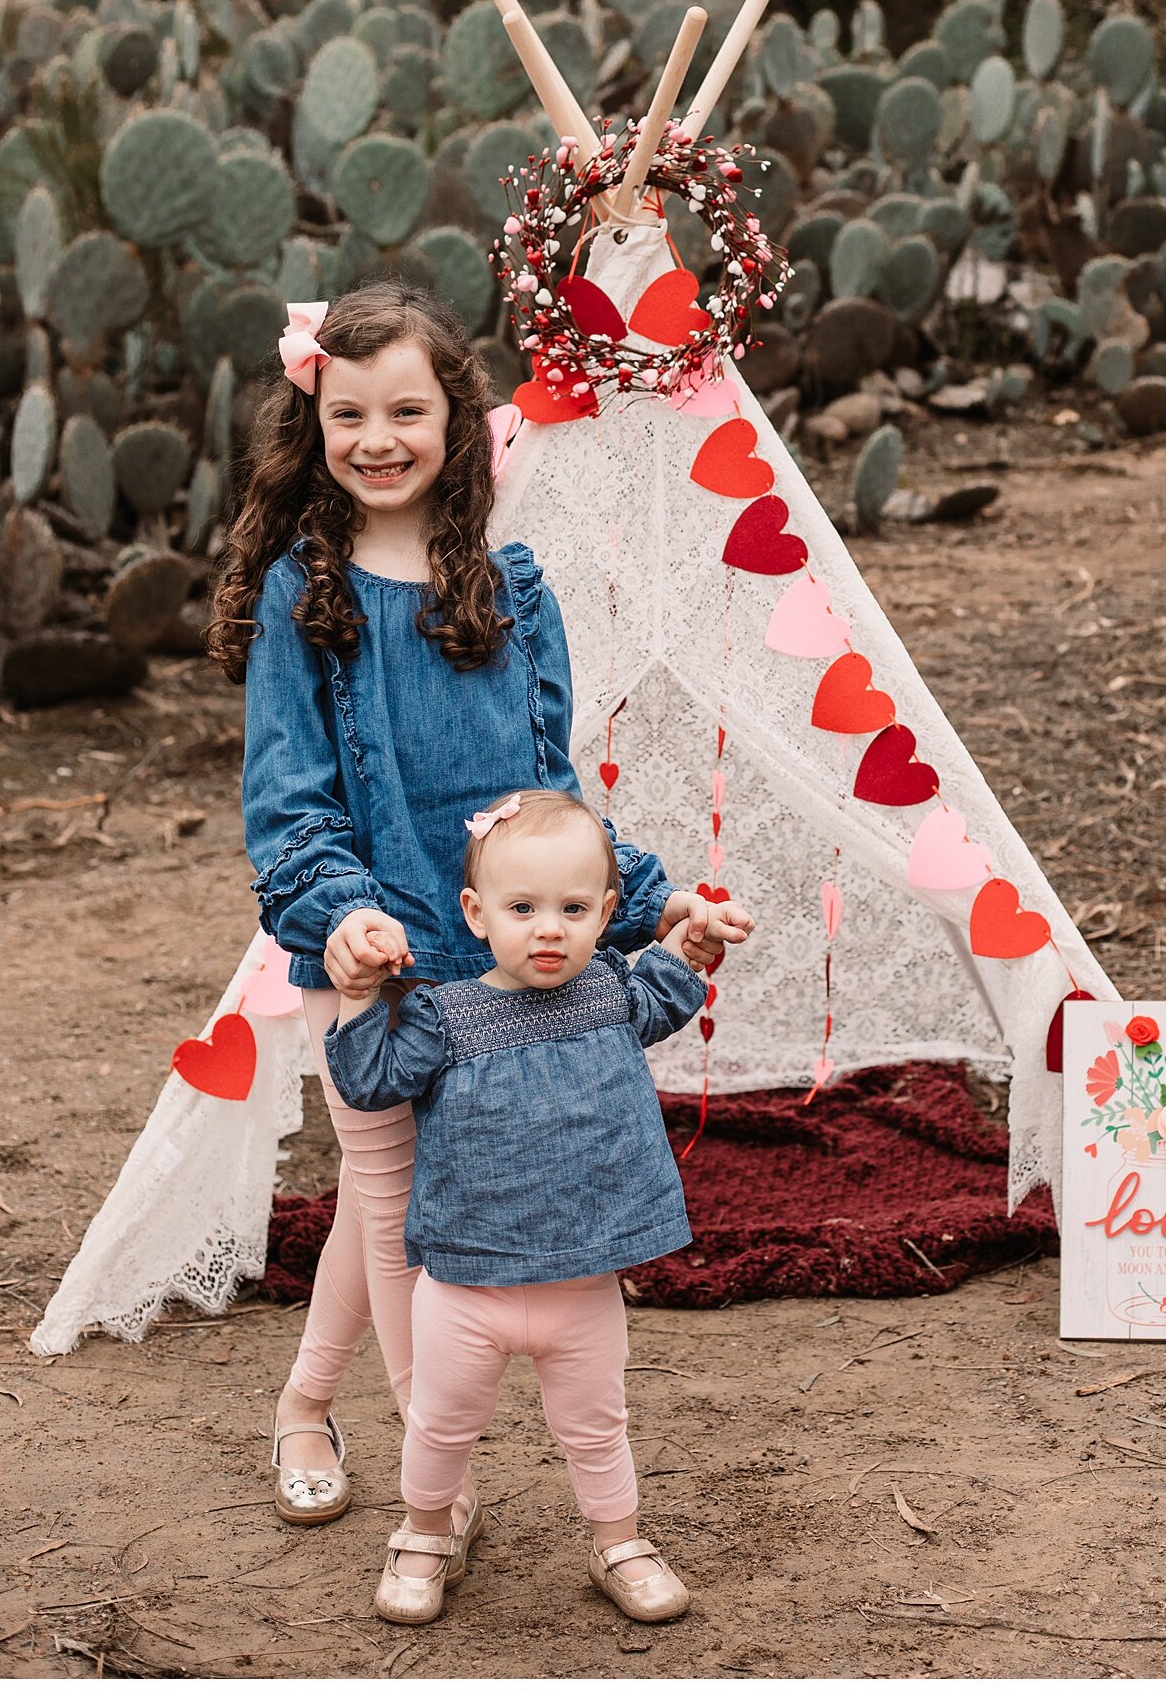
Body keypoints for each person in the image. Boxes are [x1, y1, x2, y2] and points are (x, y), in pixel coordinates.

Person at [204, 285, 752, 1531]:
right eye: (349, 414)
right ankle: (432, 1498)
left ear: (459, 419)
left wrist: (646, 904)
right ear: (316, 425)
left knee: (390, 1195)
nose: (378, 438)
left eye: (408, 409)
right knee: (396, 1204)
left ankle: (302, 1401)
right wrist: (339, 914)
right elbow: (288, 800)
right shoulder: (309, 594)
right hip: (373, 963)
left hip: (505, 959)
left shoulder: (508, 585)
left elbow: (547, 790)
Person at [327, 788, 704, 1625]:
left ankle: (619, 1541)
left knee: (598, 1425)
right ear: (475, 912)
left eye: (573, 909)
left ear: (608, 914)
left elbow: (668, 998)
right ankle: (425, 1533)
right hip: (468, 1285)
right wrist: (357, 999)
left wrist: (684, 946)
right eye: (523, 907)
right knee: (440, 1425)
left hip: (582, 1283)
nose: (548, 929)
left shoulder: (611, 990)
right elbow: (369, 1080)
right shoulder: (443, 1015)